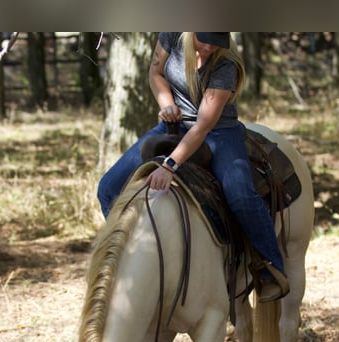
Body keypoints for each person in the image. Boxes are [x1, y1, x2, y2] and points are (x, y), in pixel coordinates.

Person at [97, 32, 289, 302]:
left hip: (218, 133)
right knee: (108, 188)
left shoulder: (226, 65)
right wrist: (167, 104)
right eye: (204, 39)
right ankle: (127, 258)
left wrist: (169, 165)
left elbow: (202, 126)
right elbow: (156, 72)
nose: (210, 47)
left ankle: (271, 266)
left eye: (217, 41)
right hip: (172, 126)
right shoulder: (172, 35)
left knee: (240, 194)